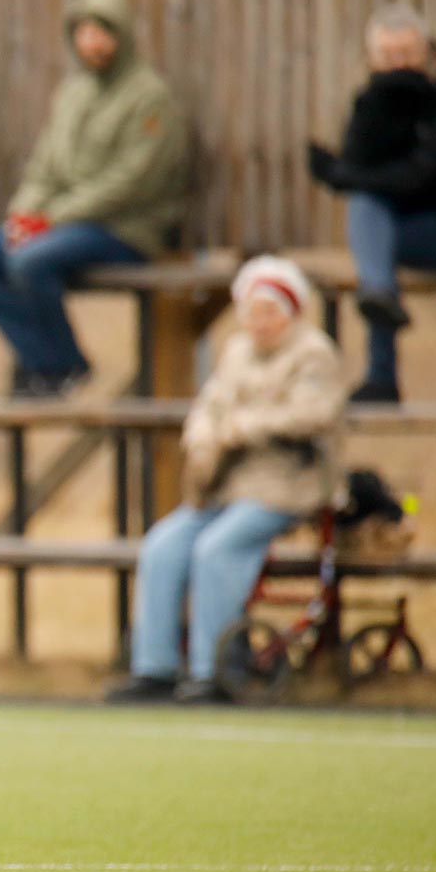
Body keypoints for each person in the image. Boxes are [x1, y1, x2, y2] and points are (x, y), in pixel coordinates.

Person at [108, 257, 346, 706]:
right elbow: (207, 408)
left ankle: (213, 671)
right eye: (252, 311)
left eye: (269, 311)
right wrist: (201, 439)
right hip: (224, 484)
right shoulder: (236, 352)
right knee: (161, 544)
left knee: (215, 549)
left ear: (291, 311)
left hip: (284, 485)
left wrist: (241, 428)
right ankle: (154, 666)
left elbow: (313, 413)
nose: (259, 322)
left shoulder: (313, 352)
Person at [0, 0, 189, 398]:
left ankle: (63, 364)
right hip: (62, 224)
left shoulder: (150, 97)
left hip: (126, 228)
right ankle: (41, 359)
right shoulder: (72, 93)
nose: (92, 43)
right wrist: (24, 213)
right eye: (83, 32)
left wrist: (52, 219)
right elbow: (45, 164)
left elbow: (132, 182)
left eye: (102, 32)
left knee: (28, 262)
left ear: (122, 37)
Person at [307, 5, 436, 404]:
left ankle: (381, 333)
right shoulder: (373, 102)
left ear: (428, 52)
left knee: (367, 210)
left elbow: (421, 176)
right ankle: (381, 368)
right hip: (407, 231)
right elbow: (359, 167)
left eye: (407, 54)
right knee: (366, 210)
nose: (399, 65)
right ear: (371, 61)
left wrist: (343, 177)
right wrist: (375, 110)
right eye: (388, 57)